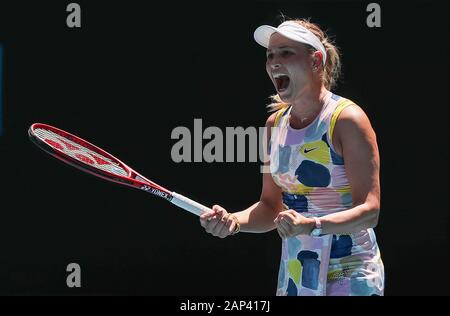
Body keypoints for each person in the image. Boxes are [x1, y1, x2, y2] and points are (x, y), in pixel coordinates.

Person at [199, 18, 384, 296]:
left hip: (351, 270)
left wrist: (313, 225)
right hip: (298, 274)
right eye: (270, 55)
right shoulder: (274, 125)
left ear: (316, 61)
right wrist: (233, 221)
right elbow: (269, 206)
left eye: (286, 52)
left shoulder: (347, 120)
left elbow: (370, 211)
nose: (274, 62)